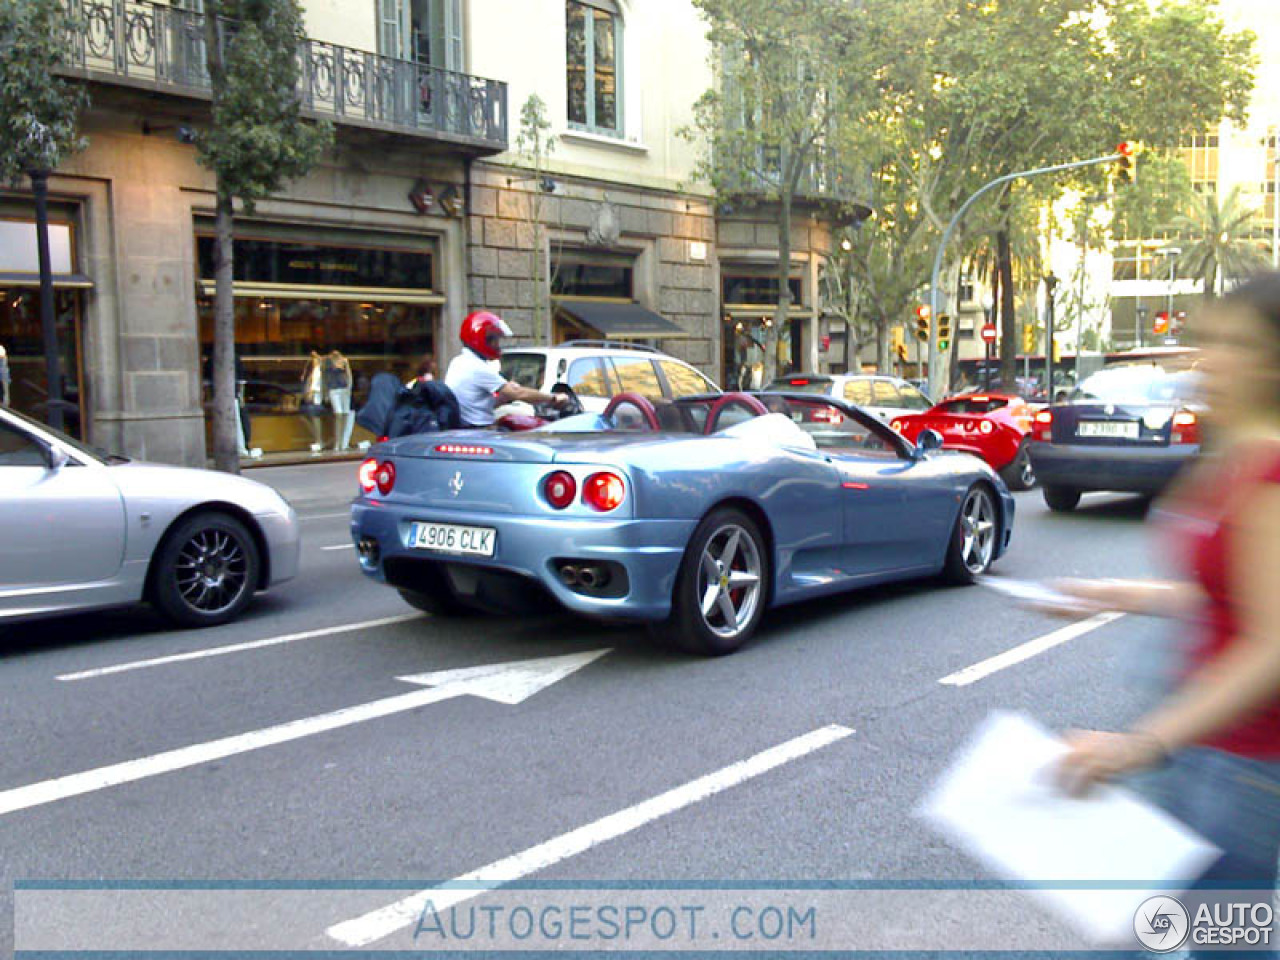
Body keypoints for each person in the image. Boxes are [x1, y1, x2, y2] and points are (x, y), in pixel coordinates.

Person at [1051, 273, 1280, 947]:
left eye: (1233, 345)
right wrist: (1117, 596)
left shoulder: (1268, 473)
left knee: (1211, 941)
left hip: (1244, 768)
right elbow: (1229, 594)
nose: (1207, 361)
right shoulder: (1232, 456)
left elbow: (1270, 644)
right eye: (1206, 342)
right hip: (1197, 746)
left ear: (1271, 364)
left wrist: (1138, 746)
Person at [444, 311, 568, 428]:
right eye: (495, 340)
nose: (498, 345)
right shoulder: (476, 366)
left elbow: (477, 404)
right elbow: (519, 393)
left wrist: (504, 397)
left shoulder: (459, 361)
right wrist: (553, 398)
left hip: (467, 427)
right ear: (483, 340)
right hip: (479, 430)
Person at [324, 349, 354, 450]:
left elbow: (349, 375)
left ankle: (343, 442)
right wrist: (326, 392)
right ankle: (337, 442)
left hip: (344, 389)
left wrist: (349, 387)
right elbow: (326, 377)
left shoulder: (344, 361)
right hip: (334, 390)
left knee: (345, 414)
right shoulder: (328, 362)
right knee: (339, 414)